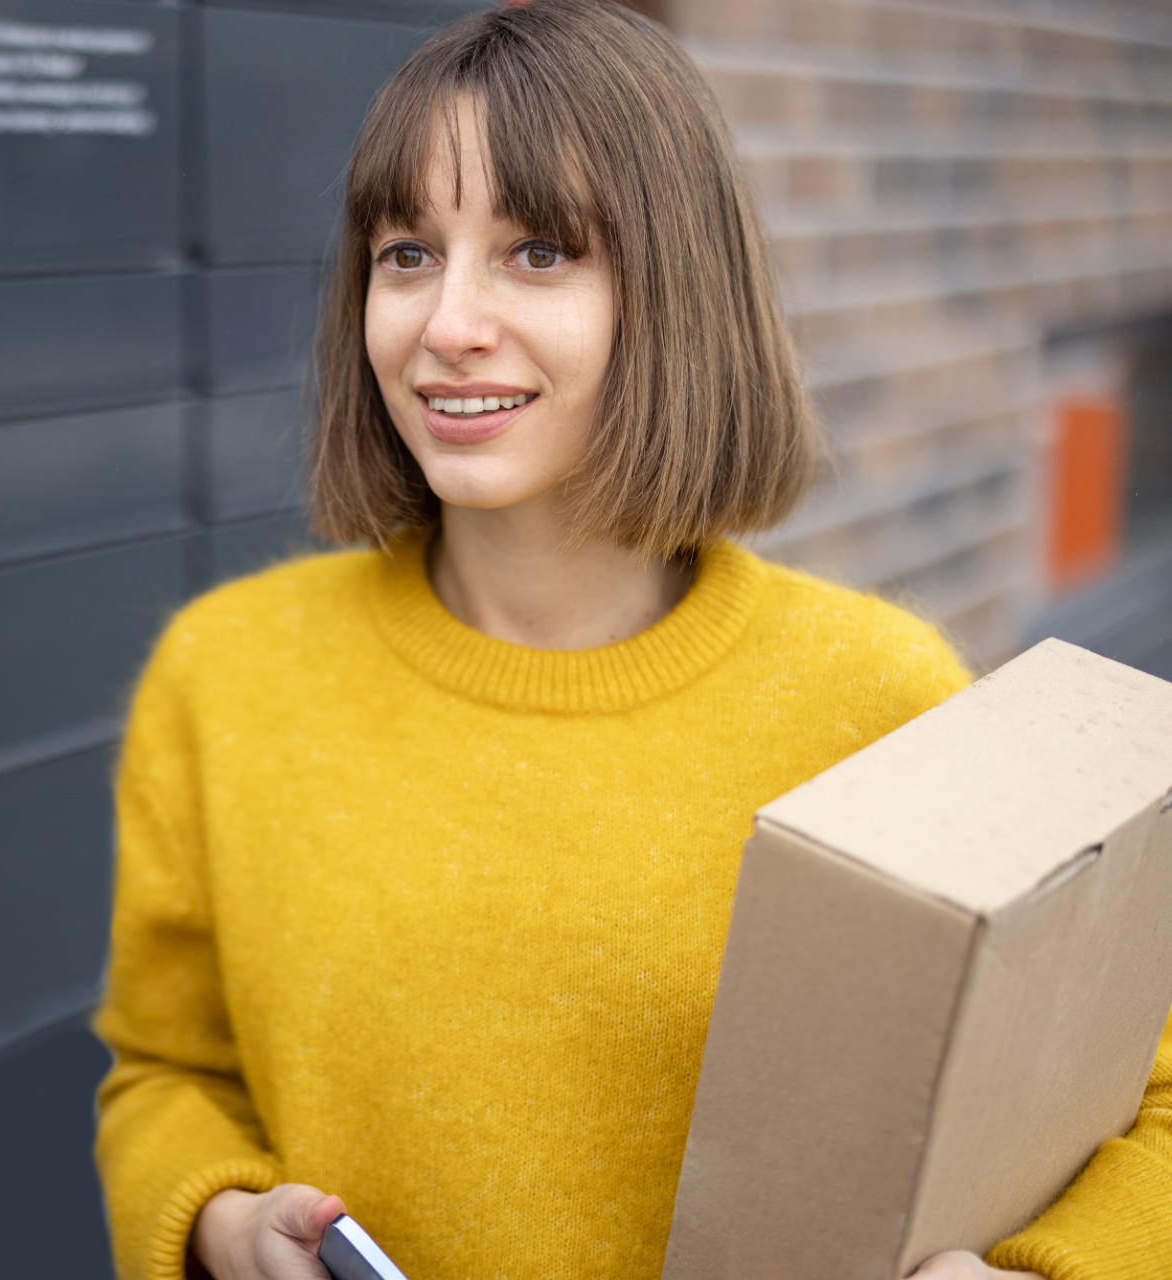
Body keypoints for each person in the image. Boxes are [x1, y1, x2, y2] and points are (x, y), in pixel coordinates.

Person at [92, 3, 1172, 1278]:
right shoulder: (228, 676)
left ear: (673, 289)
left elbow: (1143, 1106)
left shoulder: (883, 699)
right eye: (407, 252)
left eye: (538, 252)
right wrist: (220, 1220)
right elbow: (165, 1073)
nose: (448, 322)